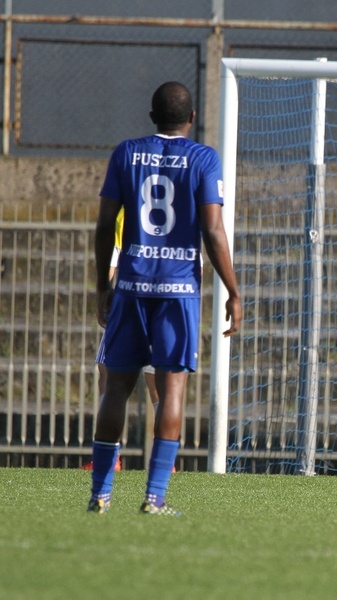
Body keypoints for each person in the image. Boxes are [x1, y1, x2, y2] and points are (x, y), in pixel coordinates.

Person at [88, 81, 242, 516]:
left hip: (132, 284)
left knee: (116, 386)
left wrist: (103, 284)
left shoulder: (125, 152)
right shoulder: (203, 158)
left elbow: (104, 226)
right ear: (191, 119)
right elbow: (212, 231)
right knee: (172, 387)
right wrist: (233, 290)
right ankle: (154, 497)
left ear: (152, 117)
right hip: (178, 289)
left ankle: (100, 494)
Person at [84, 208, 161, 473]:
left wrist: (103, 294)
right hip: (167, 299)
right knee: (158, 380)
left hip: (131, 298)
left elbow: (111, 254)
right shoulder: (180, 198)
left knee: (114, 377)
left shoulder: (126, 204)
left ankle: (109, 461)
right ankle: (163, 464)